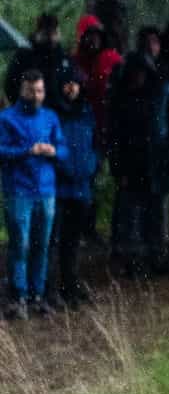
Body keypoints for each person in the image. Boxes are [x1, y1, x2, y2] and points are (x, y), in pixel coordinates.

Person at [108, 50, 169, 278]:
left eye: (141, 73)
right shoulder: (121, 95)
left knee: (157, 211)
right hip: (131, 163)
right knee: (132, 214)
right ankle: (134, 261)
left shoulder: (161, 89)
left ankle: (157, 256)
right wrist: (117, 167)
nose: (137, 77)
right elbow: (114, 134)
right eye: (134, 73)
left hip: (158, 160)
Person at [0, 71, 66, 318]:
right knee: (21, 244)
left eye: (39, 90)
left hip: (46, 190)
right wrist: (27, 150)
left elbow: (64, 150)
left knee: (42, 245)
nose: (35, 95)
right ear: (22, 90)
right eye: (31, 90)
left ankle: (38, 295)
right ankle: (18, 296)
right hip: (18, 191)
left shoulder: (50, 117)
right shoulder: (6, 118)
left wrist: (53, 151)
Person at [50, 72, 98, 306]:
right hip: (60, 187)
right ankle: (51, 289)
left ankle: (71, 284)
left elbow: (95, 143)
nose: (71, 88)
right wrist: (64, 166)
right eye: (66, 84)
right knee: (55, 239)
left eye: (75, 84)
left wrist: (91, 165)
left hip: (82, 185)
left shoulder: (87, 112)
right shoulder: (53, 114)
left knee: (73, 240)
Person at [6, 14, 77, 103]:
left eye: (54, 33)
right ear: (38, 33)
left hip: (57, 112)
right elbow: (11, 85)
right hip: (30, 110)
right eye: (47, 34)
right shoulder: (24, 55)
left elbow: (71, 81)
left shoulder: (62, 56)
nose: (51, 38)